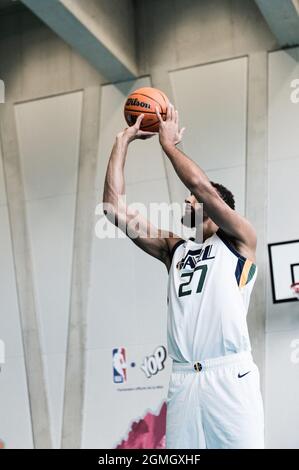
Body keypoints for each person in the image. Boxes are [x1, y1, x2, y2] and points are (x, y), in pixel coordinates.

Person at [103, 104, 264, 449]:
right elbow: (113, 209)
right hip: (183, 380)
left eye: (193, 199)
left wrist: (169, 146)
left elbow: (200, 185)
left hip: (230, 374)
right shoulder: (174, 249)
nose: (187, 202)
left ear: (218, 207)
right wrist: (123, 140)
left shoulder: (240, 240)